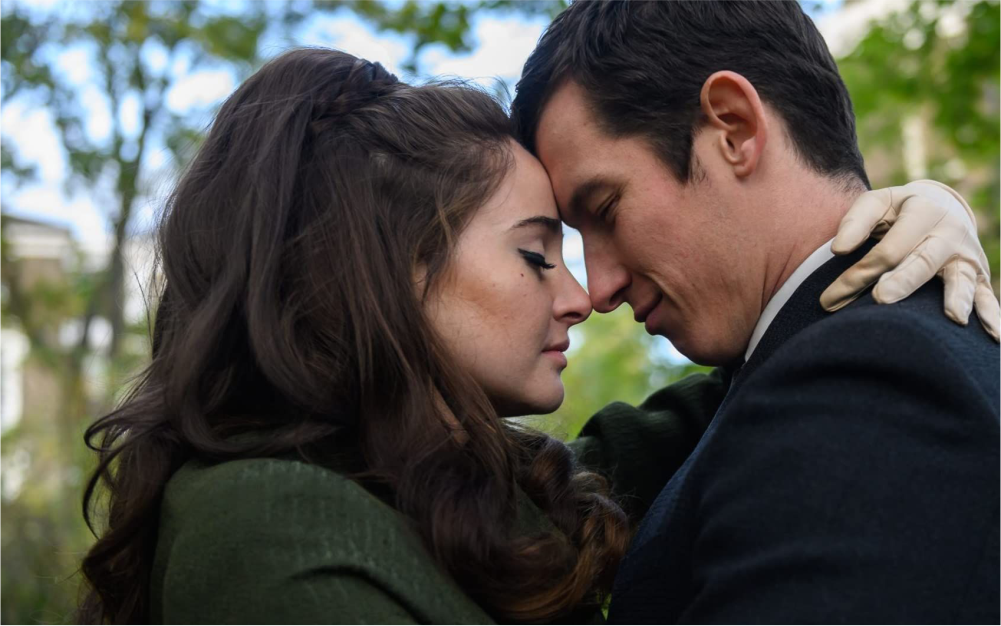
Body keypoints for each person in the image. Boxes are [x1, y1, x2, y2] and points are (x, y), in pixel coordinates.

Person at [78, 48, 993, 626]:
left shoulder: (475, 494)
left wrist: (899, 226)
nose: (584, 295)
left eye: (589, 226)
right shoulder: (270, 526)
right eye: (535, 253)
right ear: (383, 274)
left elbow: (762, 395)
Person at [510, 0, 1001, 623]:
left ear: (735, 128)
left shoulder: (868, 379)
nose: (597, 290)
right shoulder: (807, 374)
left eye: (606, 209)